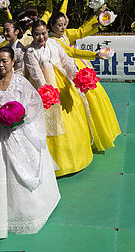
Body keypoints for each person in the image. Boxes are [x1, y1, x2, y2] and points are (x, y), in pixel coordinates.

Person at [0, 46, 60, 239]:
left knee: (20, 174)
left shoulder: (21, 82)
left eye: (4, 60)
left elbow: (33, 104)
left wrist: (19, 118)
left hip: (16, 135)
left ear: (13, 62)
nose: (0, 64)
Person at [24, 19, 93, 177]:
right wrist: (47, 92)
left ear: (48, 32)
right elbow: (36, 75)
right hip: (47, 90)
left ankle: (77, 158)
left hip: (63, 84)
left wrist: (78, 76)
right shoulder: (30, 52)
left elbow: (67, 61)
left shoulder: (55, 44)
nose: (41, 37)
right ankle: (53, 164)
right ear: (32, 35)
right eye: (37, 34)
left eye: (44, 33)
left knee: (72, 118)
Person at [48, 11, 121, 151]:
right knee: (80, 103)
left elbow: (81, 31)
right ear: (51, 26)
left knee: (94, 97)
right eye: (59, 25)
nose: (62, 28)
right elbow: (71, 52)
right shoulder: (53, 41)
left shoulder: (65, 35)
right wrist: (94, 55)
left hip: (78, 66)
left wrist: (98, 21)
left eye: (64, 24)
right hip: (66, 72)